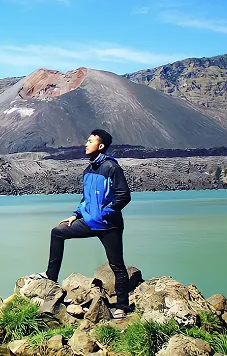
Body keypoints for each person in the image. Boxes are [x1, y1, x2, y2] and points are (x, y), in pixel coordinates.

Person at [29, 129, 132, 319]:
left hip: (109, 225)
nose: (86, 144)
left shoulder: (112, 167)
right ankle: (51, 276)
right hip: (88, 222)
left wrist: (105, 213)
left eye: (90, 141)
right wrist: (75, 215)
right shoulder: (88, 170)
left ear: (100, 146)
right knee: (57, 231)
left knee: (116, 265)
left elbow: (124, 196)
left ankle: (122, 306)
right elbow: (86, 198)